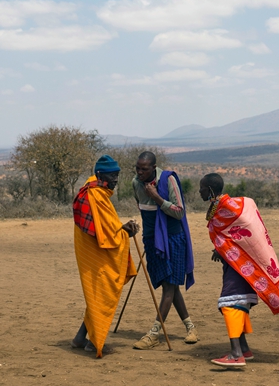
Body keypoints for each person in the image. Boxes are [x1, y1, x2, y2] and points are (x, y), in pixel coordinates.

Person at [201, 173, 279, 368]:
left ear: (209, 190)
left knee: (231, 303)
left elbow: (241, 233)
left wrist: (225, 249)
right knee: (240, 300)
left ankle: (236, 354)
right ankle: (244, 348)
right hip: (237, 263)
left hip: (241, 263)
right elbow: (230, 236)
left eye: (202, 188)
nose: (199, 191)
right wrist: (222, 249)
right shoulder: (220, 208)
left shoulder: (227, 208)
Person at [71, 155, 139, 358]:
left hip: (89, 248)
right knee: (103, 292)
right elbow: (109, 234)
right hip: (97, 251)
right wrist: (126, 232)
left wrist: (121, 228)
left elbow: (106, 226)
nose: (116, 179)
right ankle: (94, 343)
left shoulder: (91, 187)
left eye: (118, 175)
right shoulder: (96, 195)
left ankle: (79, 338)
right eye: (113, 175)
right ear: (100, 174)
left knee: (96, 293)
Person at [132, 151, 197, 349]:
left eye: (144, 169)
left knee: (170, 286)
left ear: (154, 168)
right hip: (152, 240)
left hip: (173, 238)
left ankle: (154, 334)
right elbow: (143, 209)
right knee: (170, 285)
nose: (140, 172)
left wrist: (158, 198)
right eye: (137, 168)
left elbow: (179, 212)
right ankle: (191, 327)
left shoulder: (168, 180)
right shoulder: (136, 183)